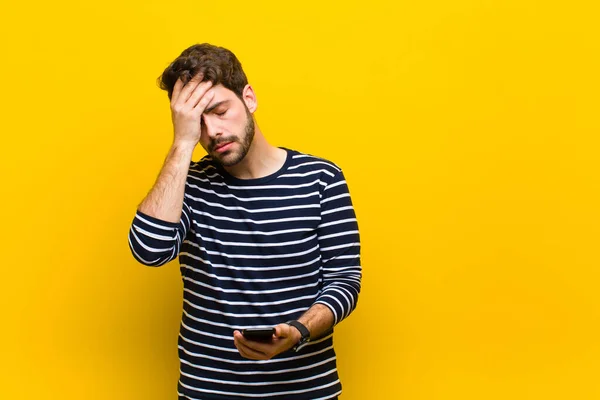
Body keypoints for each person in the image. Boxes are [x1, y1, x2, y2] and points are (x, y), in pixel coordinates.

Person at [128, 43, 362, 400]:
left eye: (220, 111)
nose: (213, 132)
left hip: (305, 390)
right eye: (197, 122)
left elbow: (344, 280)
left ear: (248, 98)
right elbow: (150, 250)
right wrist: (182, 142)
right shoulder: (186, 185)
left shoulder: (322, 178)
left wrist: (299, 330)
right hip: (209, 392)